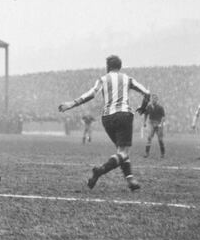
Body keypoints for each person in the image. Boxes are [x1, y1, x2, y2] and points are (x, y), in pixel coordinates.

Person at [59, 55, 150, 192]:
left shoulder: (103, 79)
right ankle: (100, 171)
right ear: (120, 66)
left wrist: (72, 103)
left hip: (107, 119)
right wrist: (143, 107)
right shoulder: (127, 79)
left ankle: (130, 180)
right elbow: (147, 93)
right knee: (123, 152)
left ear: (108, 67)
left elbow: (91, 94)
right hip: (123, 115)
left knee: (121, 152)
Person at [142, 94, 166, 158]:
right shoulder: (149, 107)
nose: (153, 100)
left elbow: (163, 116)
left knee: (160, 139)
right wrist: (144, 122)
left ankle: (162, 153)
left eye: (155, 99)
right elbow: (146, 114)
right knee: (149, 137)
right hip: (151, 123)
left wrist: (161, 123)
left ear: (157, 100)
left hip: (158, 123)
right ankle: (147, 153)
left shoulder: (160, 107)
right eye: (152, 99)